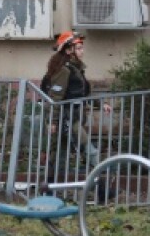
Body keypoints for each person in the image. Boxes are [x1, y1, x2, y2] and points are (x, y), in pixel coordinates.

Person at [41, 30, 110, 187]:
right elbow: (55, 97)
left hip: (73, 117)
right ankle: (103, 190)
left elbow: (82, 94)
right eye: (78, 48)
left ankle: (48, 188)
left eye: (82, 47)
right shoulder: (64, 70)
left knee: (58, 154)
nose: (82, 51)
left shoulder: (76, 69)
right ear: (68, 50)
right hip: (67, 119)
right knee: (90, 151)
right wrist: (53, 121)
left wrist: (101, 104)